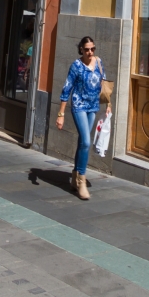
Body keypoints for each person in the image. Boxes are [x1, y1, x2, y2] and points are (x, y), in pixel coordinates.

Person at [55, 36, 109, 201]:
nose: (90, 52)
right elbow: (66, 88)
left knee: (82, 143)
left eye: (92, 49)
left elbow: (104, 84)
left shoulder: (98, 63)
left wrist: (108, 104)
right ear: (81, 49)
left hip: (93, 107)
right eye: (86, 49)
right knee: (86, 141)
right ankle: (81, 180)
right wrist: (61, 114)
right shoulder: (76, 66)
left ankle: (74, 176)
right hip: (78, 106)